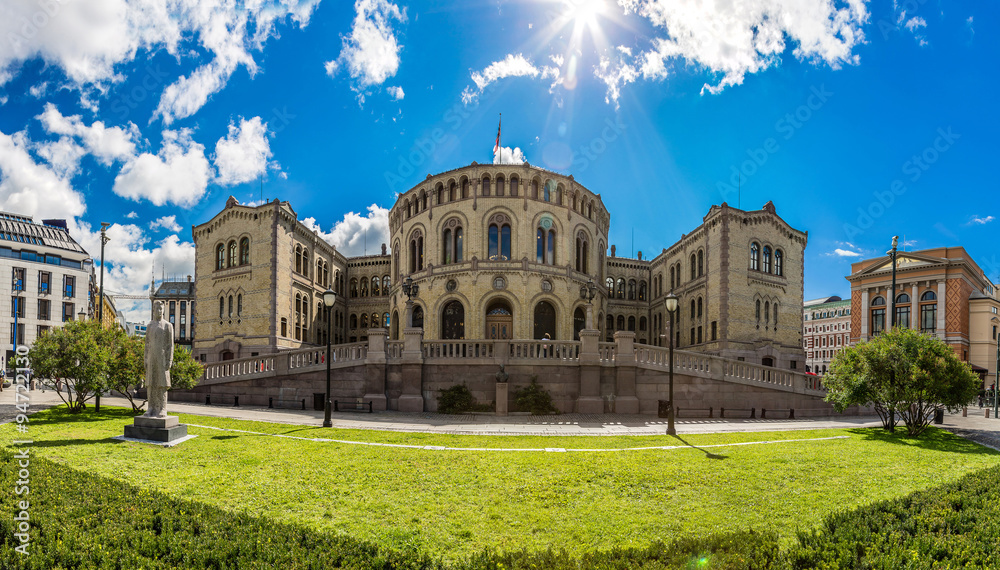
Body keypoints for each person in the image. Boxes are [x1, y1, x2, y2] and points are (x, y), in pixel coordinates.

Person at [144, 301, 175, 418]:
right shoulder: (150, 325)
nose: (159, 311)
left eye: (161, 309)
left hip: (162, 358)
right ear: (153, 310)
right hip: (152, 357)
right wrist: (145, 358)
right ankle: (150, 408)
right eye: (157, 309)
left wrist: (169, 360)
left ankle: (162, 408)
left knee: (162, 384)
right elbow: (147, 344)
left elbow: (170, 345)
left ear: (163, 310)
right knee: (151, 383)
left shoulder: (168, 326)